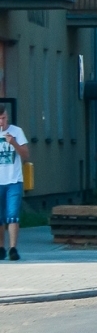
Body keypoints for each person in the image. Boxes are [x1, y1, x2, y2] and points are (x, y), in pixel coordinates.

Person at [0, 108, 30, 261]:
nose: (1, 122)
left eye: (3, 118)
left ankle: (13, 248)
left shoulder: (16, 131)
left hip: (13, 180)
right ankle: (1, 247)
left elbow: (26, 154)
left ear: (7, 117)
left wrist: (14, 143)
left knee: (12, 215)